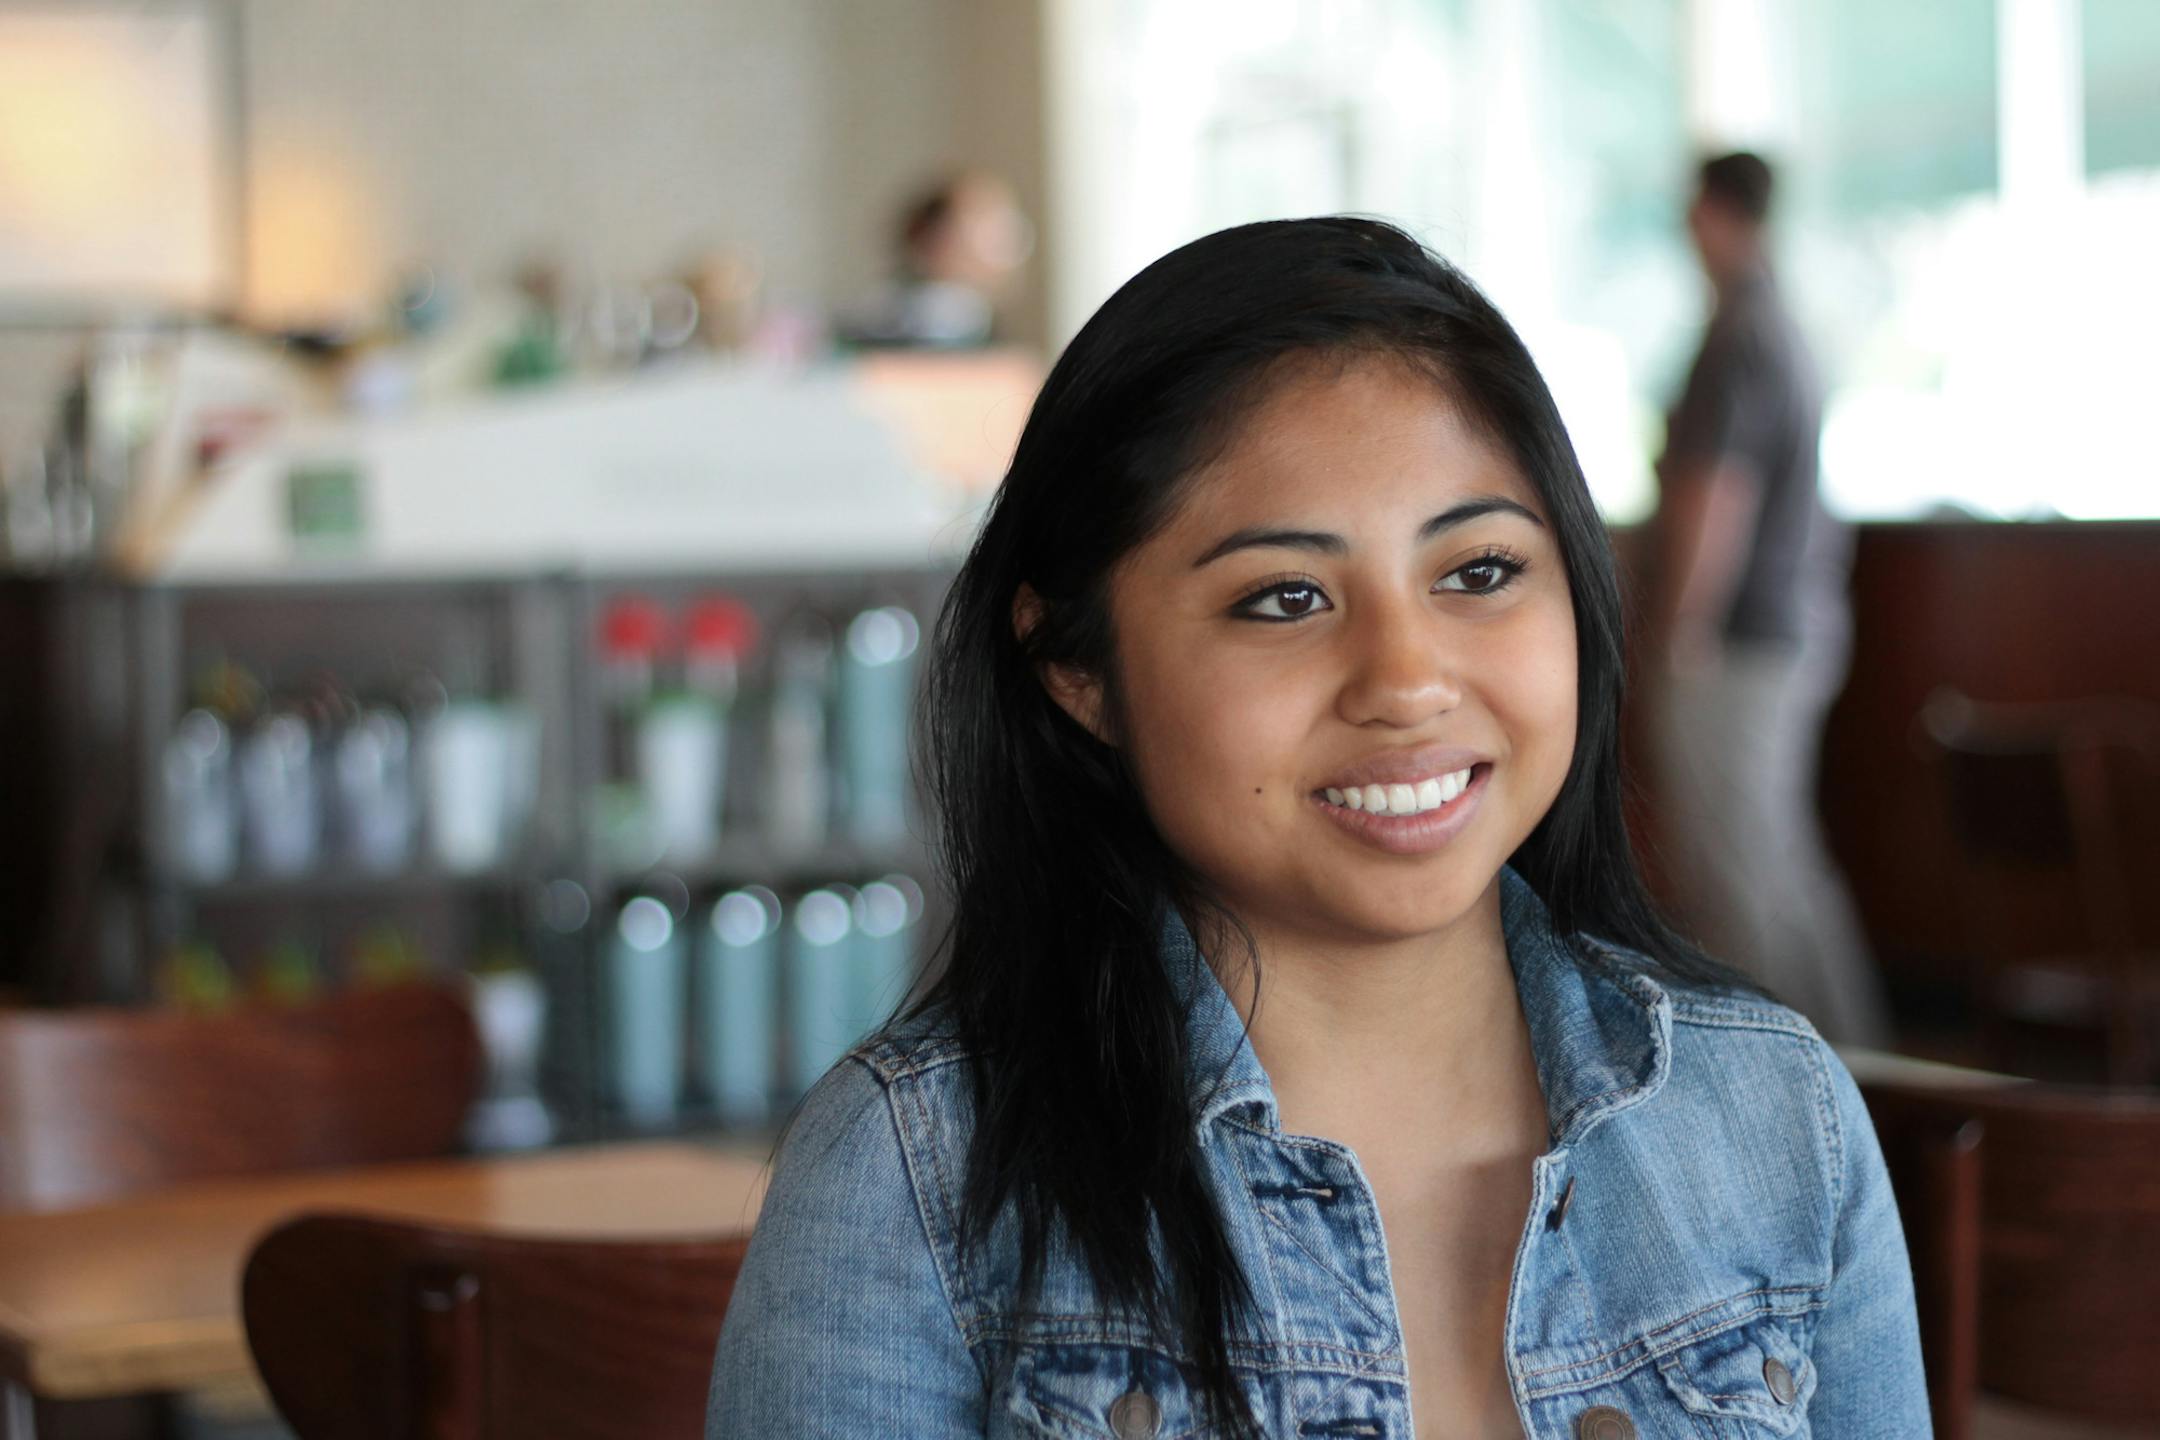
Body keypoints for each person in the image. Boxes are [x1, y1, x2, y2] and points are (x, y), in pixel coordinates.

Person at [708, 218, 1927, 1436]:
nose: (1406, 680)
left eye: (1480, 571)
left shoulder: (1779, 1119)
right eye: (1284, 598)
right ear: (1075, 668)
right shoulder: (911, 1179)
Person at [1646, 151, 1891, 1047]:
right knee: (1781, 865)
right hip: (1791, 634)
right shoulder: (1779, 323)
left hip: (1737, 645)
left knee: (1738, 875)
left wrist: (1678, 633)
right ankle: (1859, 1071)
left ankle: (1792, 1080)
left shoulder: (1741, 334)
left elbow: (1719, 497)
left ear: (1712, 210)